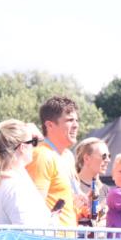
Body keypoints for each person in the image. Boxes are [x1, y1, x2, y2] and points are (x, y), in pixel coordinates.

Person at [0, 119, 50, 227]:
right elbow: (28, 234)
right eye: (33, 142)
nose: (35, 146)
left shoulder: (5, 180)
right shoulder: (15, 187)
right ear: (23, 147)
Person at [26, 96, 78, 228]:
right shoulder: (41, 155)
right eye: (70, 120)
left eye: (76, 120)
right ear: (49, 125)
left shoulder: (68, 156)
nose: (76, 125)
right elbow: (35, 206)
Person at [71, 137, 110, 226]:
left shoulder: (107, 191)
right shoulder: (71, 186)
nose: (108, 160)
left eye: (109, 156)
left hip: (100, 239)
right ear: (87, 158)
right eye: (104, 156)